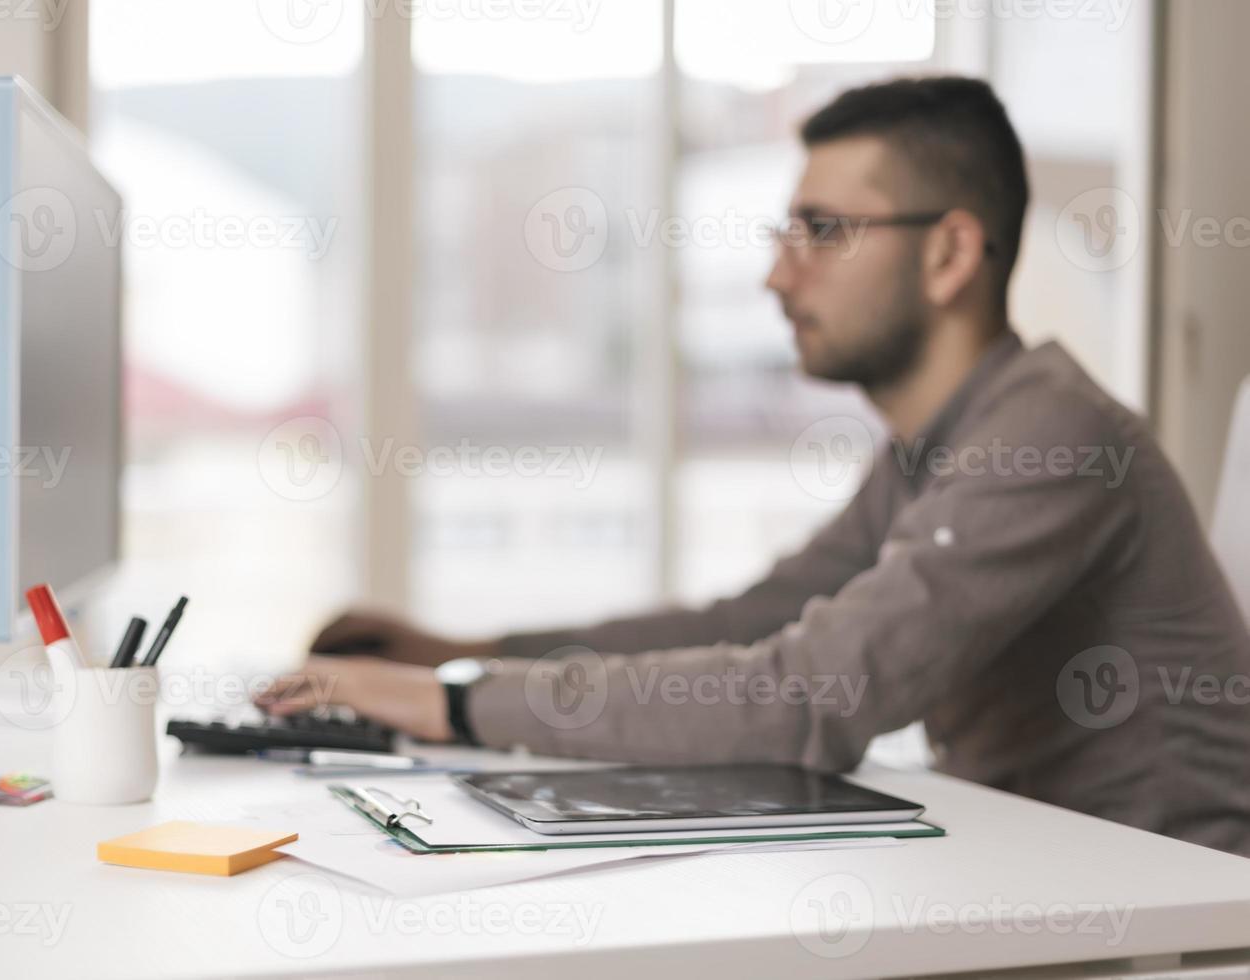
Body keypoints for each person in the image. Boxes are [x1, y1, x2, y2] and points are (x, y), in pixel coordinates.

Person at [256, 76, 1250, 856]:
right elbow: (752, 623)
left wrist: (455, 700)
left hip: (1168, 916)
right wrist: (461, 649)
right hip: (1049, 876)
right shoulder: (939, 449)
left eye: (822, 230)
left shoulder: (1050, 440)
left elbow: (808, 692)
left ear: (950, 256)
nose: (779, 272)